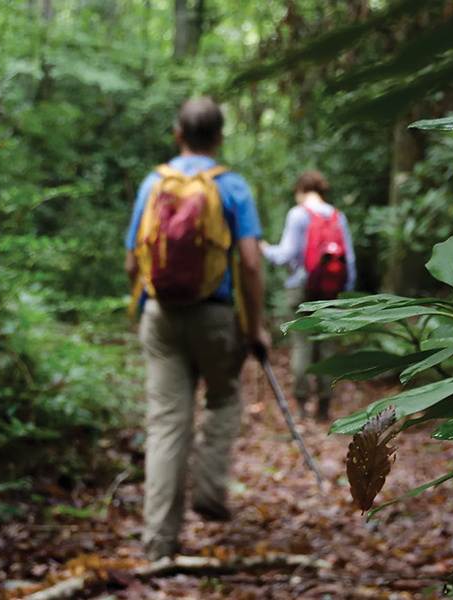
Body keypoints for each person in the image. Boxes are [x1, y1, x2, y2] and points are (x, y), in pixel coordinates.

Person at [123, 97, 269, 562]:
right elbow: (249, 262)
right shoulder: (232, 187)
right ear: (220, 138)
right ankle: (209, 489)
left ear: (177, 134)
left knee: (167, 423)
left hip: (160, 315)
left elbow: (132, 262)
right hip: (216, 315)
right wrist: (254, 327)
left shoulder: (153, 183)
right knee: (223, 399)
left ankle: (159, 545)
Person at [260, 170, 356, 422]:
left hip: (301, 288)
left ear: (301, 191)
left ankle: (302, 405)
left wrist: (264, 249)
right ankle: (324, 406)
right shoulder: (338, 216)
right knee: (326, 345)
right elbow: (350, 260)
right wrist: (344, 292)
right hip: (331, 290)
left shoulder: (298, 214)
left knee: (302, 344)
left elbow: (284, 255)